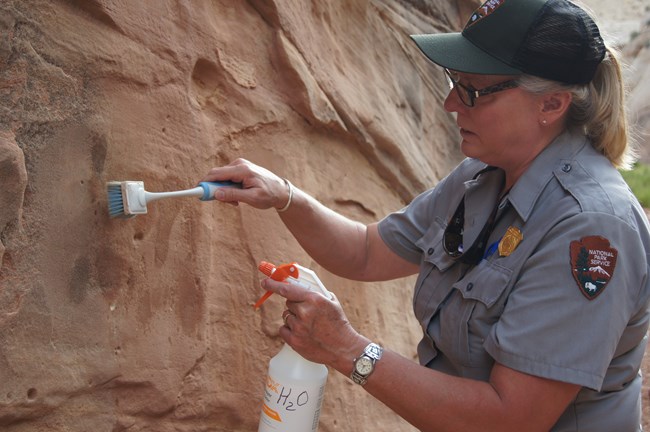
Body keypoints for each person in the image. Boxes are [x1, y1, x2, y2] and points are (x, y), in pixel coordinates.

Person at [202, 0, 650, 430]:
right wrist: (285, 196)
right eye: (453, 83)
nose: (450, 104)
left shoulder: (591, 227)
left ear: (551, 105)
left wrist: (345, 348)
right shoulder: (483, 177)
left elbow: (511, 419)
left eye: (472, 91)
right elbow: (364, 251)